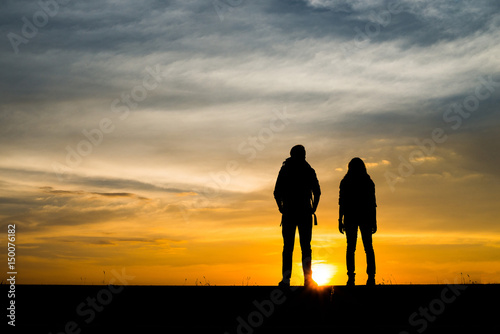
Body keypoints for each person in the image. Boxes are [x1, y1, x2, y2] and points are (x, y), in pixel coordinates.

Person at [274, 145, 321, 287]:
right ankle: (308, 280)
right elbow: (317, 192)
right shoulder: (308, 170)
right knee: (305, 247)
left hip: (289, 212)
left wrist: (281, 207)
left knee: (288, 247)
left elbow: (276, 192)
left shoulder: (285, 169)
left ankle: (286, 279)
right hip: (304, 212)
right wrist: (313, 208)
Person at [338, 157, 377, 287]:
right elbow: (372, 203)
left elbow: (341, 203)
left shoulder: (346, 181)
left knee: (351, 248)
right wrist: (374, 220)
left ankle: (352, 278)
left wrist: (340, 219)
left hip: (351, 216)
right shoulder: (367, 181)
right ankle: (370, 277)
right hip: (363, 216)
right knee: (367, 248)